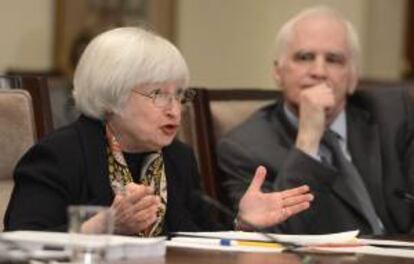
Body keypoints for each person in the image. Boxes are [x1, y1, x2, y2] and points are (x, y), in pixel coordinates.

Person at [4, 27, 313, 235]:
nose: (174, 109)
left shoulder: (177, 158)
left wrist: (241, 223)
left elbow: (197, 243)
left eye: (179, 94)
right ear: (114, 95)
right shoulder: (60, 154)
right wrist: (105, 225)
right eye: (158, 94)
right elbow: (18, 245)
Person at [218, 6, 414, 235]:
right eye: (304, 57)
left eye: (333, 59)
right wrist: (308, 140)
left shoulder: (392, 113)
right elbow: (277, 237)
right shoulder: (244, 148)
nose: (319, 71)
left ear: (352, 77)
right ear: (278, 73)